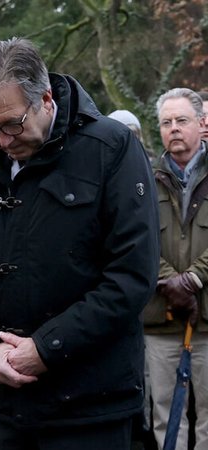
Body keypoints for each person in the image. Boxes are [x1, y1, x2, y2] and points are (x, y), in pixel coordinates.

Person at [0, 38, 159, 449]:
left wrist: (48, 347)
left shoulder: (109, 149)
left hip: (91, 404)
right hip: (5, 402)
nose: (1, 140)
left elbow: (131, 275)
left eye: (12, 124)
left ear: (46, 98)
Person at [146, 87, 208, 450]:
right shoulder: (142, 179)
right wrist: (170, 280)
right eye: (166, 123)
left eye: (181, 121)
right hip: (160, 320)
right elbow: (135, 238)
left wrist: (195, 277)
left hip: (207, 320)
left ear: (201, 124)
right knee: (166, 414)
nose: (173, 129)